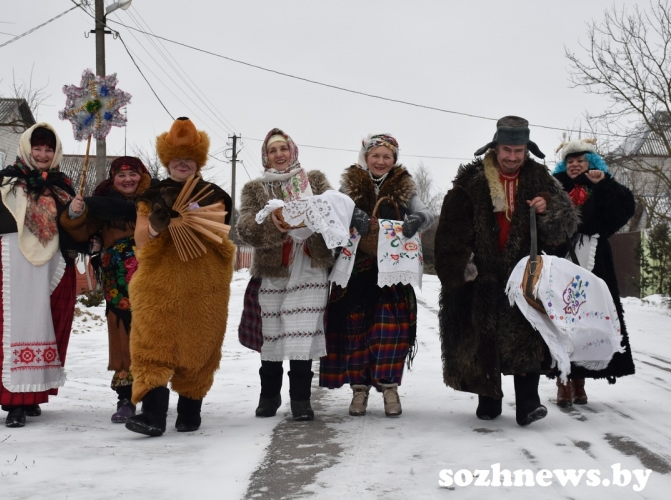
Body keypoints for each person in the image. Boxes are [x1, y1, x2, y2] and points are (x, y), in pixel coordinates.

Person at [435, 116, 579, 426]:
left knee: (526, 336)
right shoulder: (471, 181)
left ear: (527, 150)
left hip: (525, 275)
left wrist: (549, 208)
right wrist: (463, 268)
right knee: (483, 337)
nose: (512, 157)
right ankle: (489, 398)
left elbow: (566, 226)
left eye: (519, 151)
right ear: (496, 148)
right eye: (506, 150)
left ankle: (528, 403)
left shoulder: (541, 179)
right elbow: (450, 229)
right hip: (483, 274)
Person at [0, 123, 83, 428]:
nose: (43, 154)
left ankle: (32, 393)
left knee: (43, 327)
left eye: (49, 149)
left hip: (51, 267)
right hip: (10, 266)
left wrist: (78, 214)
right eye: (37, 148)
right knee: (10, 331)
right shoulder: (4, 183)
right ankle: (14, 403)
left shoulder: (64, 188)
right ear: (26, 148)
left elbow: (76, 230)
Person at [124, 117, 235, 437]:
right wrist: (158, 225)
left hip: (205, 284)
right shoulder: (151, 196)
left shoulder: (216, 195)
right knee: (152, 345)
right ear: (166, 160)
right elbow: (142, 240)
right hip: (160, 284)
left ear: (197, 161)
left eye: (188, 159)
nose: (182, 164)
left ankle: (190, 412)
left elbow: (219, 235)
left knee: (200, 348)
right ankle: (153, 416)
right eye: (176, 159)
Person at [319, 133, 434, 417]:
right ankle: (359, 391)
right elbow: (332, 212)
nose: (381, 161)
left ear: (394, 159)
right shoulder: (349, 185)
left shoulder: (405, 186)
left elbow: (426, 212)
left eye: (387, 156)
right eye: (376, 155)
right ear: (365, 157)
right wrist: (351, 215)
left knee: (390, 332)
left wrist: (417, 220)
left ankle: (390, 389)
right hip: (356, 272)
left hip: (392, 273)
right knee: (356, 332)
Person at [236, 128, 337, 421]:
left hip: (310, 267)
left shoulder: (315, 181)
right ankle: (269, 396)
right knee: (273, 335)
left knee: (301, 335)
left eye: (283, 149)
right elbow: (245, 228)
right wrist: (273, 226)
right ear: (266, 156)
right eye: (272, 150)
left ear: (292, 151)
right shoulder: (255, 189)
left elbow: (333, 215)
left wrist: (316, 221)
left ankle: (301, 400)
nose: (279, 155)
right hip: (274, 269)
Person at [59, 156, 153, 422]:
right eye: (121, 175)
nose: (127, 180)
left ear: (142, 175)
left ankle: (152, 395)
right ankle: (126, 398)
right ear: (113, 179)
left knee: (151, 334)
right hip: (118, 283)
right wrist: (75, 212)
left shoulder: (155, 200)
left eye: (133, 174)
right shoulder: (101, 205)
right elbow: (80, 232)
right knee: (122, 333)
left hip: (152, 280)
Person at [550, 138, 636, 406]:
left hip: (596, 261)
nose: (575, 165)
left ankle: (580, 380)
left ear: (592, 163)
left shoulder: (601, 187)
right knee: (561, 320)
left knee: (589, 321)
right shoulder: (554, 188)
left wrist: (604, 183)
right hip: (561, 259)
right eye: (570, 161)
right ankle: (563, 379)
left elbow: (624, 209)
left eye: (581, 161)